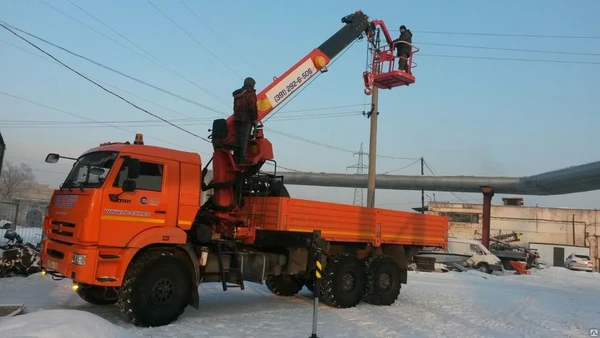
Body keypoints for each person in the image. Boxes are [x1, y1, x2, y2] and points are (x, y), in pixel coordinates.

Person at [232, 77, 258, 165]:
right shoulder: (250, 93)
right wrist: (255, 119)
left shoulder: (237, 94)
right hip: (246, 119)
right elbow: (252, 106)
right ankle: (243, 158)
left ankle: (236, 157)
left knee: (237, 138)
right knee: (244, 139)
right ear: (251, 84)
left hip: (237, 118)